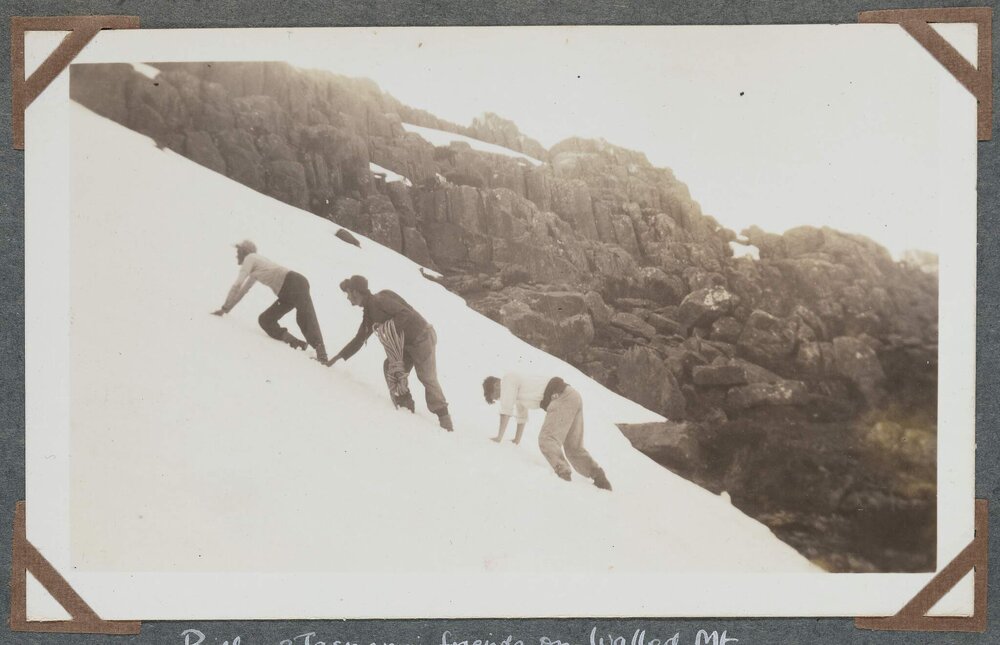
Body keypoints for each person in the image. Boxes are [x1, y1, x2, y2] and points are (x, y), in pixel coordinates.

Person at [327, 275, 454, 432]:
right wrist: (336, 359)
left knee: (426, 377)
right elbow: (359, 339)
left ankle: (445, 421)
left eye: (348, 294)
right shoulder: (369, 313)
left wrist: (389, 328)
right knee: (390, 367)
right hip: (408, 344)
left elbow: (405, 313)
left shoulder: (380, 300)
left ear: (355, 292)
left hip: (422, 337)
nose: (347, 298)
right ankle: (405, 405)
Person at [483, 373, 612, 490]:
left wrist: (499, 438)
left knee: (546, 439)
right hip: (572, 396)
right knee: (573, 448)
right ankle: (599, 477)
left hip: (562, 397)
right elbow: (521, 417)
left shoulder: (507, 380)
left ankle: (564, 477)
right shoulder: (517, 390)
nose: (499, 399)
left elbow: (506, 410)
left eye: (496, 396)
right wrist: (517, 440)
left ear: (496, 385)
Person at [212, 240, 327, 362]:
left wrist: (224, 308)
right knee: (265, 320)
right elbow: (242, 291)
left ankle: (322, 354)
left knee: (305, 316)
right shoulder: (255, 266)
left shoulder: (250, 258)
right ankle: (296, 343)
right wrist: (226, 309)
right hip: (286, 291)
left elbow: (238, 285)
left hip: (293, 282)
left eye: (238, 251)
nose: (236, 255)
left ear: (244, 251)